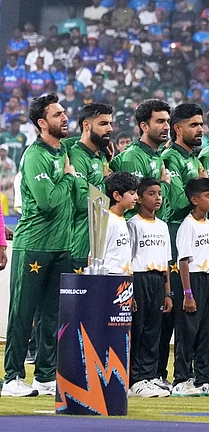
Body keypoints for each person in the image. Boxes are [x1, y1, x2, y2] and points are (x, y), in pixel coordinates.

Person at [2, 94, 83, 397]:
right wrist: (68, 178)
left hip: (61, 246)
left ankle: (45, 376)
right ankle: (11, 377)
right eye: (57, 114)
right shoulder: (35, 154)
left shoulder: (63, 151)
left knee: (52, 316)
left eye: (65, 113)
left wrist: (68, 180)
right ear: (41, 123)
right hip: (33, 246)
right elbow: (48, 202)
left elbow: (74, 199)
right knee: (22, 314)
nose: (65, 118)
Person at [156, 102, 206, 391]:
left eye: (201, 124)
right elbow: (174, 203)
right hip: (174, 243)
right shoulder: (170, 158)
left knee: (191, 316)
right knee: (169, 314)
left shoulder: (192, 157)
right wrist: (198, 184)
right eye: (194, 125)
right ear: (178, 129)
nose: (200, 129)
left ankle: (187, 375)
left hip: (194, 242)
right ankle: (160, 374)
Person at [171, 178, 209, 397]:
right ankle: (181, 379)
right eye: (208, 196)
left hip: (206, 279)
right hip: (191, 281)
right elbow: (184, 261)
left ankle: (203, 378)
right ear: (194, 200)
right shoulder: (188, 225)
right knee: (187, 334)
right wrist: (187, 294)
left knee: (205, 333)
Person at [127, 177, 173, 398]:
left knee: (154, 331)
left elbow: (166, 262)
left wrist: (167, 293)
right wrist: (130, 290)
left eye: (160, 194)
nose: (157, 198)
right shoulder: (133, 225)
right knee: (138, 329)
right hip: (139, 278)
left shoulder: (163, 226)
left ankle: (149, 375)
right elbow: (129, 259)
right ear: (139, 197)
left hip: (157, 280)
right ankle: (134, 378)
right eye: (152, 194)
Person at [67, 103, 114, 274]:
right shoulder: (76, 156)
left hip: (100, 247)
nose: (109, 128)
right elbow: (81, 201)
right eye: (103, 124)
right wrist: (107, 182)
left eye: (110, 123)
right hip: (80, 246)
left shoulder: (101, 155)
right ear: (87, 125)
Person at [110, 99, 171, 220]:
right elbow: (138, 199)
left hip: (153, 226)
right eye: (160, 121)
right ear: (144, 126)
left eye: (168, 121)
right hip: (136, 228)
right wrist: (165, 184)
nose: (167, 127)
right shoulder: (132, 156)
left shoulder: (155, 154)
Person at [103, 172, 137, 275]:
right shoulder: (107, 221)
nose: (136, 197)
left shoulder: (122, 219)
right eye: (132, 193)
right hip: (109, 279)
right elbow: (95, 256)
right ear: (117, 196)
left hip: (123, 279)